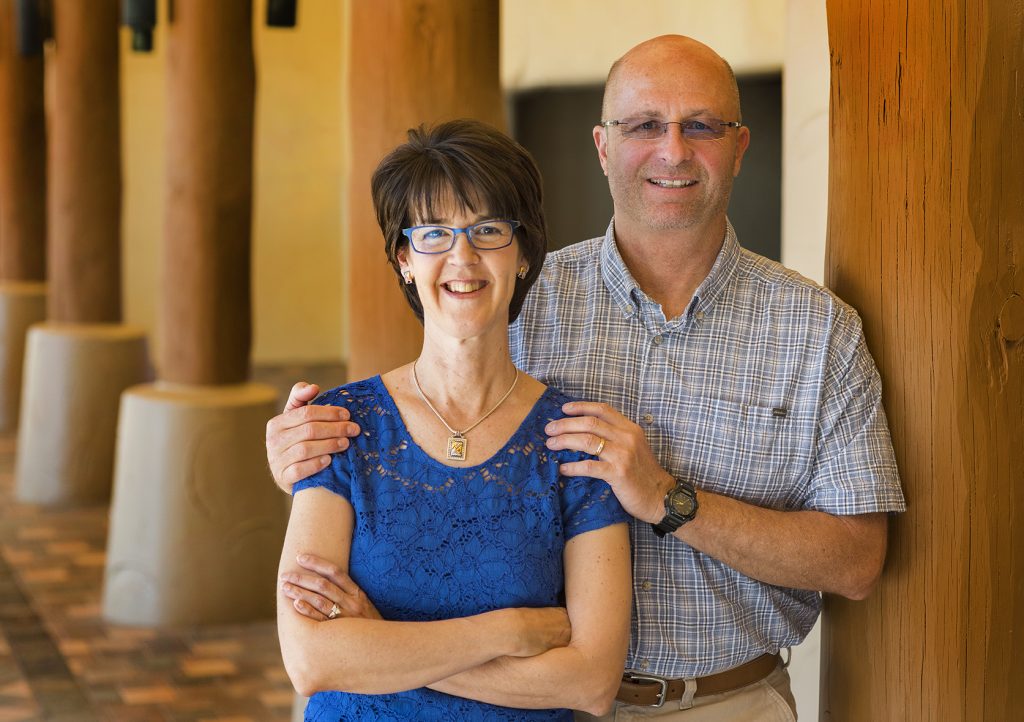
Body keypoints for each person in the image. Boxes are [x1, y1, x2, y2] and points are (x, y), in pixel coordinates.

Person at [268, 36, 906, 721]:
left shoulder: (819, 331)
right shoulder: (512, 299)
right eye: (644, 127)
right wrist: (304, 458)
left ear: (741, 145)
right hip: (537, 700)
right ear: (603, 147)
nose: (673, 151)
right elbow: (417, 436)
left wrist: (669, 498)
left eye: (701, 126)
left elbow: (857, 561)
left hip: (727, 700)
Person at [276, 119, 632, 721]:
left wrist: (379, 641)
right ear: (404, 259)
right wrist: (509, 631)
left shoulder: (575, 440)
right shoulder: (341, 426)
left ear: (523, 255)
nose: (462, 257)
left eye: (488, 230)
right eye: (434, 234)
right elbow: (313, 659)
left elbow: (590, 682)